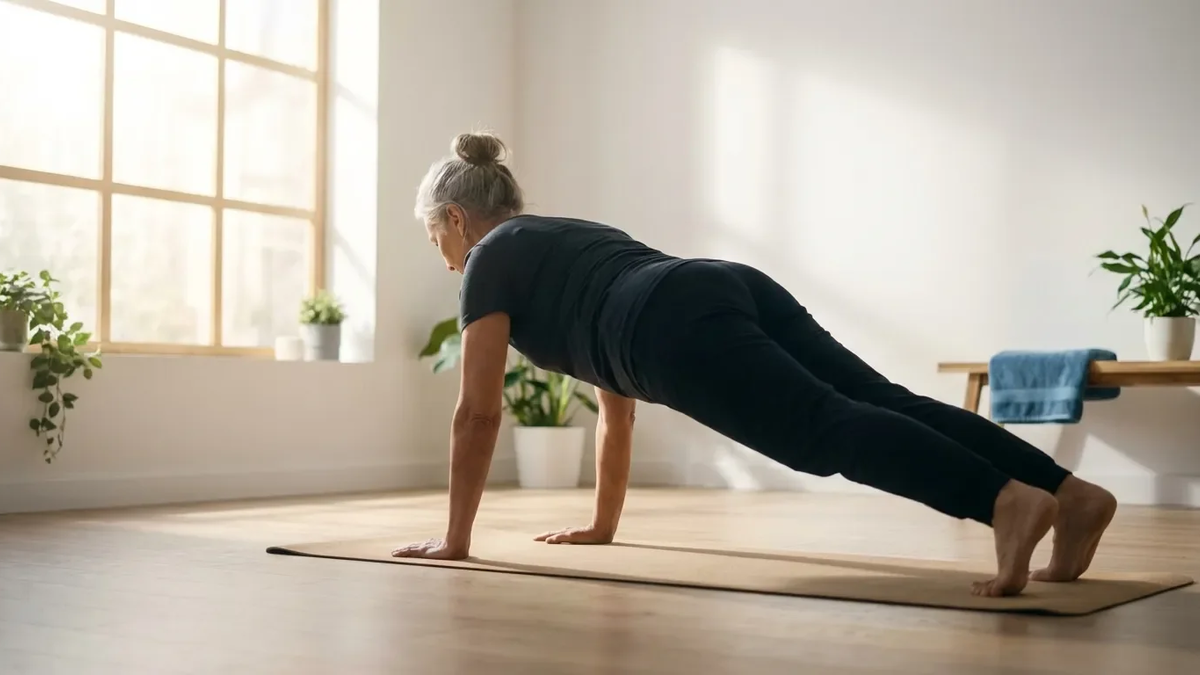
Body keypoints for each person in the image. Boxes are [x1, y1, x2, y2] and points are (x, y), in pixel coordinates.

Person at [391, 131, 1118, 597]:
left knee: (821, 429)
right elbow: (616, 400)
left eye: (437, 241)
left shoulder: (488, 257)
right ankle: (1070, 492)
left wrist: (457, 540)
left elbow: (478, 410)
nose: (447, 261)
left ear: (455, 219)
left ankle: (1002, 499)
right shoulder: (563, 236)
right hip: (718, 281)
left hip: (670, 325)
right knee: (879, 397)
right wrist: (603, 524)